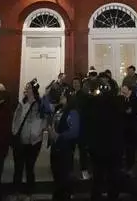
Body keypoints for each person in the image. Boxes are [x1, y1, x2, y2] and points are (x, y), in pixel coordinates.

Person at [83, 72, 125, 200]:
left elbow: (89, 124)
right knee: (113, 177)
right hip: (113, 146)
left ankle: (98, 196)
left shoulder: (92, 104)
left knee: (98, 177)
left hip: (99, 147)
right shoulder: (117, 103)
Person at [11, 80, 51, 199]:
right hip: (21, 140)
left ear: (33, 90)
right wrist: (14, 131)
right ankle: (16, 192)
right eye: (25, 87)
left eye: (28, 88)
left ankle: (29, 192)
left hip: (34, 141)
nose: (25, 89)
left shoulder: (40, 104)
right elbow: (16, 119)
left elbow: (45, 118)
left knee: (29, 166)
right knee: (18, 167)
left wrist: (38, 131)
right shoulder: (21, 103)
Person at [48, 87, 80, 201]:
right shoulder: (59, 109)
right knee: (56, 174)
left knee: (63, 175)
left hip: (64, 148)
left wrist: (59, 136)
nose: (61, 96)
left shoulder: (72, 112)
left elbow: (74, 131)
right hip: (55, 147)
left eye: (63, 95)